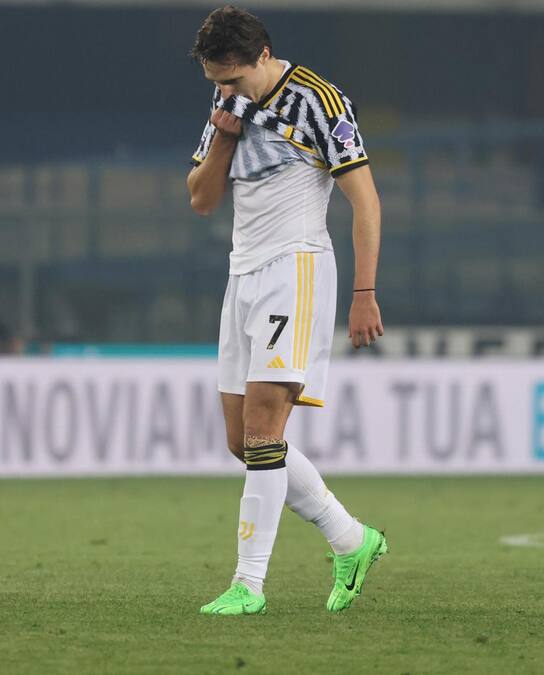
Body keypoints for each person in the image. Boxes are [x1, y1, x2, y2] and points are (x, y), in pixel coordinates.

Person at [186, 6, 387, 615]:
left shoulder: (320, 102)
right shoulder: (227, 102)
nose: (227, 89)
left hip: (295, 269)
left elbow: (366, 202)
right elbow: (201, 200)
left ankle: (248, 585)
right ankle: (351, 539)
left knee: (263, 431)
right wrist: (225, 134)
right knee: (241, 441)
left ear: (264, 56)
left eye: (235, 78)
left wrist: (363, 294)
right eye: (216, 80)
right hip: (242, 273)